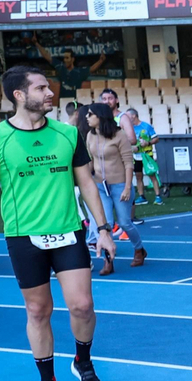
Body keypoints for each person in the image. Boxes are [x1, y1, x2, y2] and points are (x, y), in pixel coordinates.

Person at [0, 66, 116, 381]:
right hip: (23, 237)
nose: (50, 93)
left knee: (82, 305)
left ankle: (82, 360)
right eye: (41, 89)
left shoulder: (67, 134)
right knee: (38, 310)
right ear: (19, 95)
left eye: (49, 88)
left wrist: (104, 229)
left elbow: (87, 183)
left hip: (68, 232)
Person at [81, 102, 146, 274]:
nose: (87, 118)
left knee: (125, 222)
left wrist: (126, 187)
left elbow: (128, 162)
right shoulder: (90, 135)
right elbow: (89, 160)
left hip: (119, 185)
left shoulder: (119, 135)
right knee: (106, 224)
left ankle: (139, 249)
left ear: (100, 117)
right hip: (100, 186)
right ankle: (108, 260)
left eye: (90, 114)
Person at [127, 108, 163, 206]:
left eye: (128, 115)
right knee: (138, 176)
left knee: (152, 175)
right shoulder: (129, 128)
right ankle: (142, 196)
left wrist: (148, 142)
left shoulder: (146, 126)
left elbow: (156, 139)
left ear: (133, 116)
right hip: (136, 156)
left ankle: (158, 196)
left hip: (147, 155)